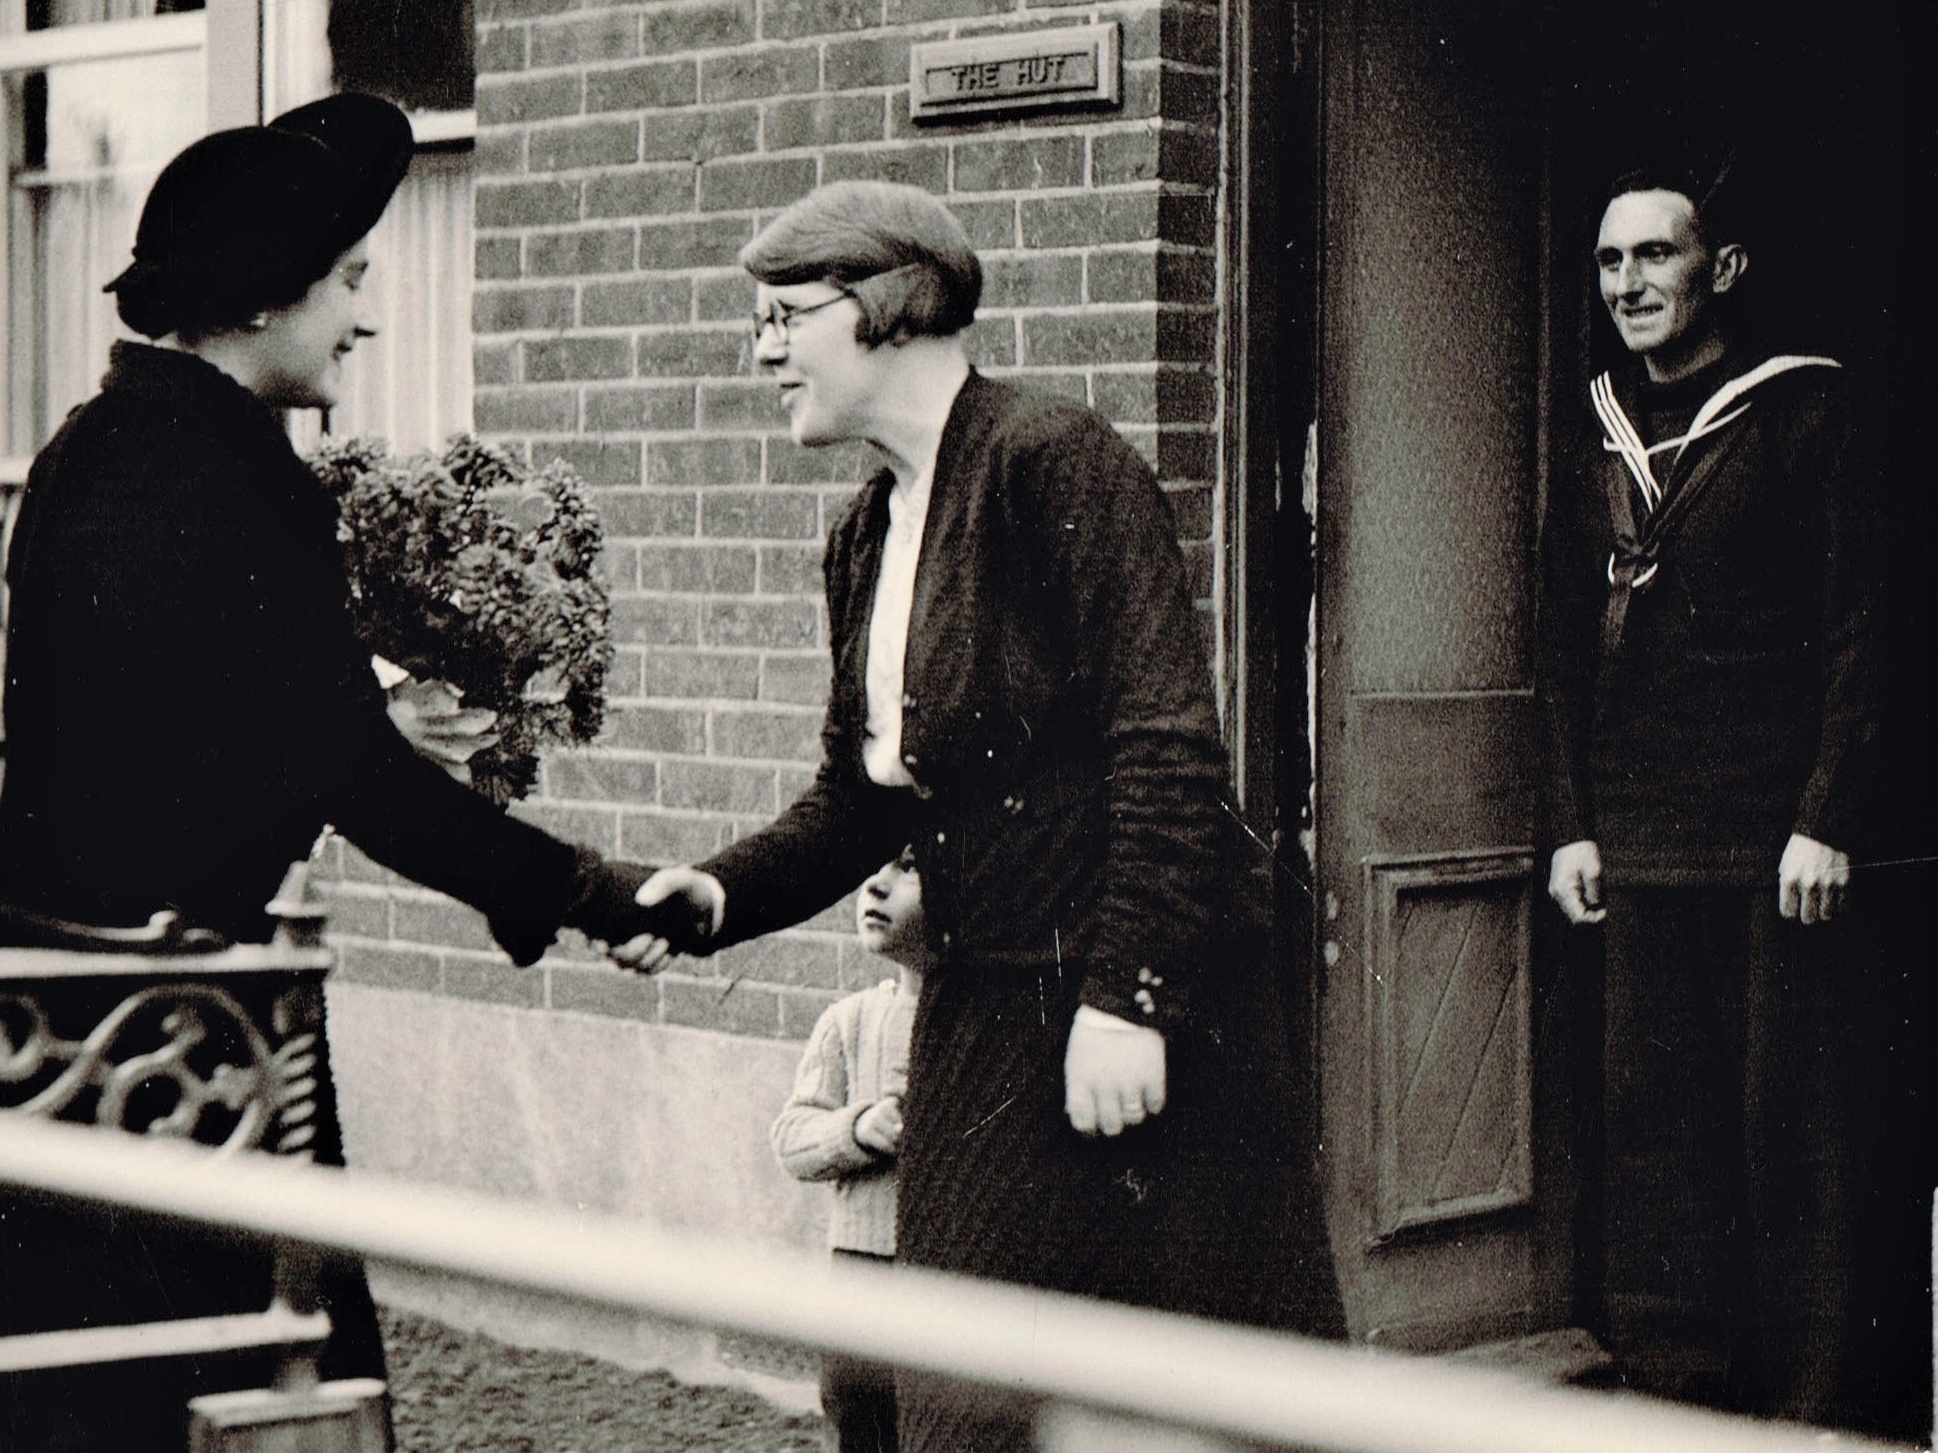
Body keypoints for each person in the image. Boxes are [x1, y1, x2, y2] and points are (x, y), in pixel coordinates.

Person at [619, 180, 1343, 1453]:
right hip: (987, 1010)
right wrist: (721, 891)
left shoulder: (1050, 463)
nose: (762, 348)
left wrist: (1131, 998)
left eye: (786, 315)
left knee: (1187, 1399)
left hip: (1140, 1016)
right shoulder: (863, 535)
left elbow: (1169, 748)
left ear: (891, 307)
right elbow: (862, 795)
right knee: (961, 1396)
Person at [0, 94, 675, 1450]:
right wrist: (591, 888)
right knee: (247, 1385)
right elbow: (343, 770)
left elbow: (205, 726)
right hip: (188, 1043)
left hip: (78, 1026)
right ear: (262, 296)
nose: (365, 318)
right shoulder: (230, 472)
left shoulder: (94, 446)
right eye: (349, 281)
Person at [1535, 149, 1885, 1427]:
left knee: (1787, 1123)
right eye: (1611, 262)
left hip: (1775, 841)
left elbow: (1866, 632)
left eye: (1656, 256)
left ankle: (1811, 1398)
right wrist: (1571, 824)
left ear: (1721, 268)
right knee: (1655, 1124)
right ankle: (1682, 1385)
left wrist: (1826, 815)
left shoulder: (1806, 415)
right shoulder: (1594, 434)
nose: (1628, 283)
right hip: (1638, 838)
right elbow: (1560, 644)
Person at [771, 848, 930, 1453]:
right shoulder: (851, 1020)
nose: (875, 884)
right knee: (860, 1410)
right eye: (872, 866)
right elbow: (792, 1137)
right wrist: (858, 1130)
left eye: (907, 867)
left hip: (948, 1269)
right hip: (862, 1263)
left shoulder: (986, 1024)